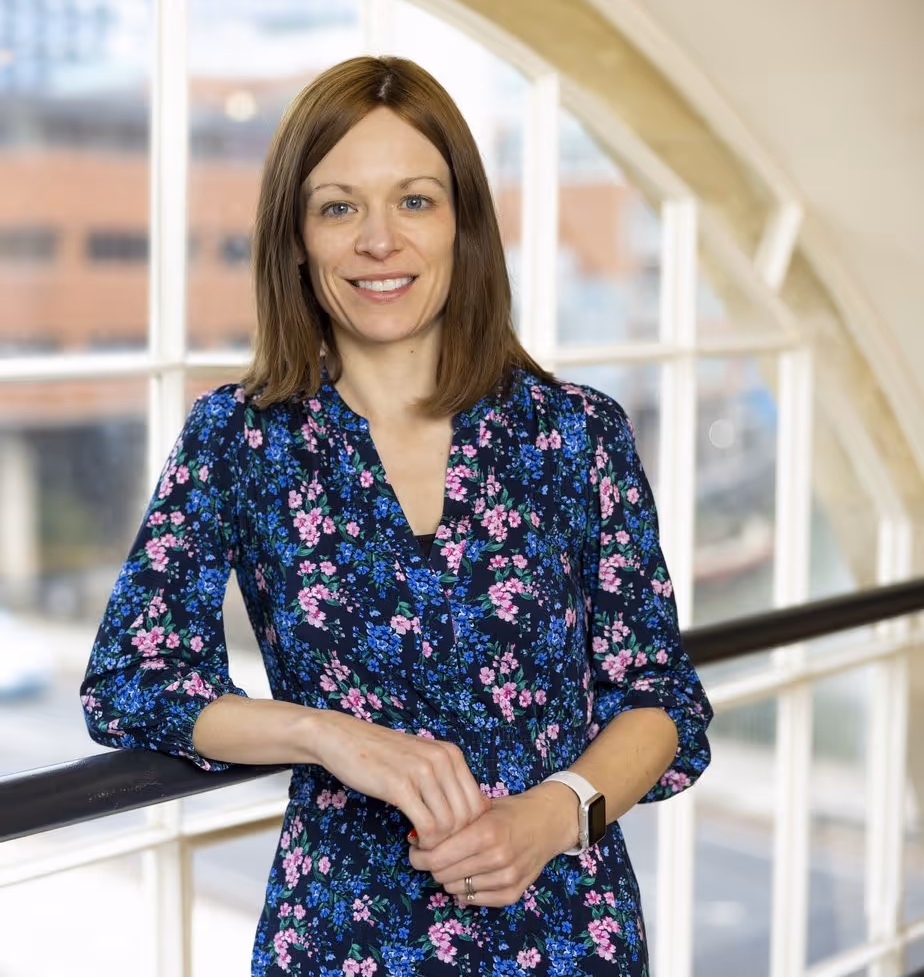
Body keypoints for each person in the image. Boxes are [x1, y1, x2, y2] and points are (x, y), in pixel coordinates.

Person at [81, 55, 712, 976]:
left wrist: (553, 814)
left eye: (414, 200)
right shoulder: (240, 438)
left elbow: (658, 697)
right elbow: (133, 680)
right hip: (342, 936)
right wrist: (325, 733)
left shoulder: (575, 433)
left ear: (463, 224)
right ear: (297, 239)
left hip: (567, 929)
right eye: (340, 207)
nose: (380, 241)